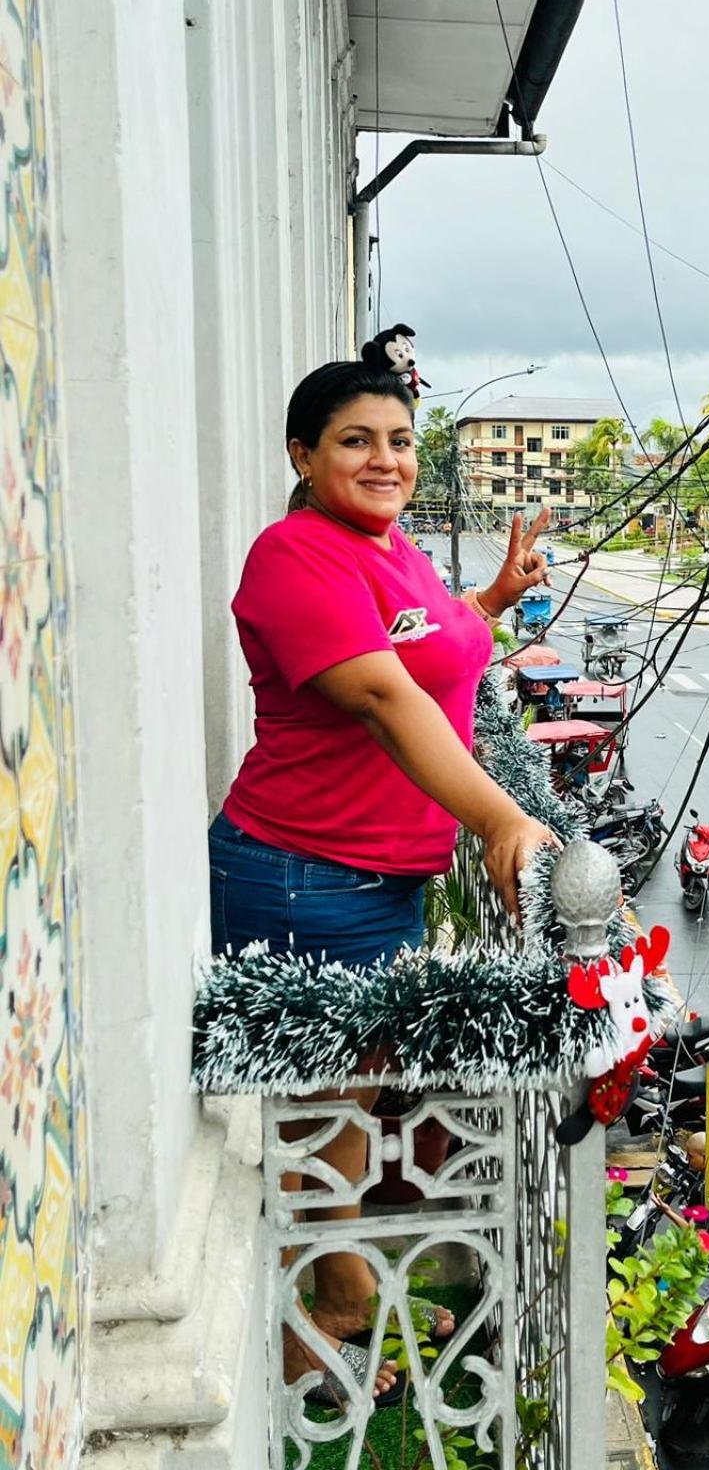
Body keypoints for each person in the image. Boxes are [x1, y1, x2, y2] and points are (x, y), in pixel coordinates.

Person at [209, 360, 557, 1407]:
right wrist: (499, 814)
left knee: (347, 1106)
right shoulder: (292, 557)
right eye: (356, 440)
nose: (385, 459)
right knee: (315, 1124)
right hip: (304, 879)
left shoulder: (384, 546)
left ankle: (349, 1293)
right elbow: (384, 696)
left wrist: (491, 598)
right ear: (302, 454)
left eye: (400, 440)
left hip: (374, 885)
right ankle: (304, 1343)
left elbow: (433, 645)